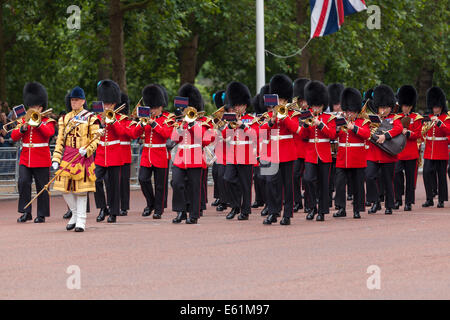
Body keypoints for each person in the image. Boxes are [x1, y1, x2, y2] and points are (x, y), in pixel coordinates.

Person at [51, 87, 100, 232]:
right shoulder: (65, 118)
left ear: (83, 101)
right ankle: (75, 213)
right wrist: (56, 158)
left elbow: (95, 139)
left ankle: (81, 221)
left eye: (77, 100)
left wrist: (88, 150)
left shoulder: (91, 118)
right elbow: (60, 140)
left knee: (81, 191)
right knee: (63, 189)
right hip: (67, 157)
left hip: (83, 156)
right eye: (72, 100)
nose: (74, 102)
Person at [11, 82, 56, 223]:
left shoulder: (47, 120)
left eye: (34, 106)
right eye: (30, 106)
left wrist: (38, 124)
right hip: (26, 157)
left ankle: (41, 214)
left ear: (41, 107)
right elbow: (13, 136)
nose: (31, 108)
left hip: (41, 158)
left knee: (42, 187)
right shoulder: (23, 120)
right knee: (23, 182)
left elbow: (49, 133)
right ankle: (26, 211)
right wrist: (22, 128)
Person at [171, 83, 214, 224]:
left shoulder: (203, 122)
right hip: (181, 157)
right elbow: (174, 139)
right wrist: (178, 128)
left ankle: (194, 214)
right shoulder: (180, 122)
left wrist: (192, 124)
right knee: (176, 183)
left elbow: (207, 139)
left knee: (194, 187)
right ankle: (181, 211)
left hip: (195, 157)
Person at [260, 74, 299, 225]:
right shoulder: (269, 114)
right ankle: (273, 212)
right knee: (270, 183)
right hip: (271, 152)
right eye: (278, 99)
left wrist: (284, 118)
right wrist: (271, 121)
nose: (279, 102)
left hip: (287, 152)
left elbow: (296, 129)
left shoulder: (292, 114)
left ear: (286, 100)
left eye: (281, 99)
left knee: (287, 185)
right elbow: (262, 131)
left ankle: (287, 214)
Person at [299, 80, 337, 221]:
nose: (316, 108)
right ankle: (312, 207)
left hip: (324, 154)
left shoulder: (329, 118)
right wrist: (305, 125)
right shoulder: (307, 117)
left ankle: (321, 211)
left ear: (323, 105)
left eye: (318, 105)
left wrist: (320, 124)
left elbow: (332, 135)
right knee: (308, 179)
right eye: (314, 105)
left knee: (323, 184)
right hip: (310, 154)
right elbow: (303, 136)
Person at [133, 84, 173, 219]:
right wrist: (142, 124)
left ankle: (158, 209)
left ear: (161, 106)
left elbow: (166, 134)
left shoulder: (168, 118)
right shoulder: (145, 117)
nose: (153, 110)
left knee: (160, 185)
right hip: (147, 154)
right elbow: (134, 134)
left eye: (155, 107)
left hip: (160, 154)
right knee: (142, 179)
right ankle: (150, 203)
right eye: (151, 107)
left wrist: (153, 124)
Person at [222, 81, 258, 221]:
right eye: (235, 105)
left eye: (239, 105)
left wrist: (242, 125)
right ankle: (235, 206)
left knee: (245, 185)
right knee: (228, 179)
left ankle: (245, 210)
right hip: (233, 155)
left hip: (246, 155)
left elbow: (255, 136)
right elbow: (225, 136)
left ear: (245, 105)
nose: (237, 108)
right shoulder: (231, 119)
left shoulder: (251, 120)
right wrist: (230, 125)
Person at [333, 88, 370, 219]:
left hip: (357, 158)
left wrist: (353, 127)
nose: (349, 114)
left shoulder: (363, 122)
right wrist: (337, 129)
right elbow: (333, 135)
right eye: (348, 111)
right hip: (343, 158)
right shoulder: (341, 120)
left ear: (356, 111)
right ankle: (341, 208)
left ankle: (357, 209)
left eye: (352, 112)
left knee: (358, 185)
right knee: (339, 184)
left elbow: (366, 134)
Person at [365, 85, 403, 215]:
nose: (383, 110)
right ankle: (375, 202)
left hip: (387, 154)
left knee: (387, 180)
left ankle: (389, 205)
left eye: (385, 107)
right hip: (373, 153)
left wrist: (385, 136)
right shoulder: (371, 118)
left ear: (390, 107)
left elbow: (398, 129)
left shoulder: (395, 118)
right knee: (369, 176)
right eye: (381, 107)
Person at [94, 80, 126, 223]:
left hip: (114, 153)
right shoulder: (97, 117)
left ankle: (113, 211)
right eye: (104, 103)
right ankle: (102, 208)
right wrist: (100, 124)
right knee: (96, 180)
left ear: (114, 104)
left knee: (113, 185)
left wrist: (112, 121)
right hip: (101, 153)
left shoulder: (119, 118)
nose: (106, 106)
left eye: (109, 104)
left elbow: (122, 132)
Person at [393, 85, 422, 211]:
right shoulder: (396, 117)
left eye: (407, 105)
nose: (405, 107)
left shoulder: (416, 118)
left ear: (411, 105)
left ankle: (409, 202)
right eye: (404, 105)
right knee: (397, 174)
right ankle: (398, 199)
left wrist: (408, 132)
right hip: (399, 152)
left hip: (411, 152)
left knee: (410, 178)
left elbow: (418, 134)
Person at [422, 87, 450, 208]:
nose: (435, 108)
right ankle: (429, 198)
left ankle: (441, 200)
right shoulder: (428, 118)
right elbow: (423, 132)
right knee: (426, 173)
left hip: (441, 150)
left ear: (441, 106)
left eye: (437, 106)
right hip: (429, 150)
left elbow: (448, 131)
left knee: (441, 176)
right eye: (434, 107)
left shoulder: (446, 118)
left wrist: (439, 123)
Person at [292, 78, 310, 213]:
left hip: (309, 148)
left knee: (308, 178)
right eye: (301, 101)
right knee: (295, 176)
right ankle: (297, 201)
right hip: (297, 148)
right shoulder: (294, 113)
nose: (303, 104)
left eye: (305, 101)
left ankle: (310, 202)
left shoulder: (314, 113)